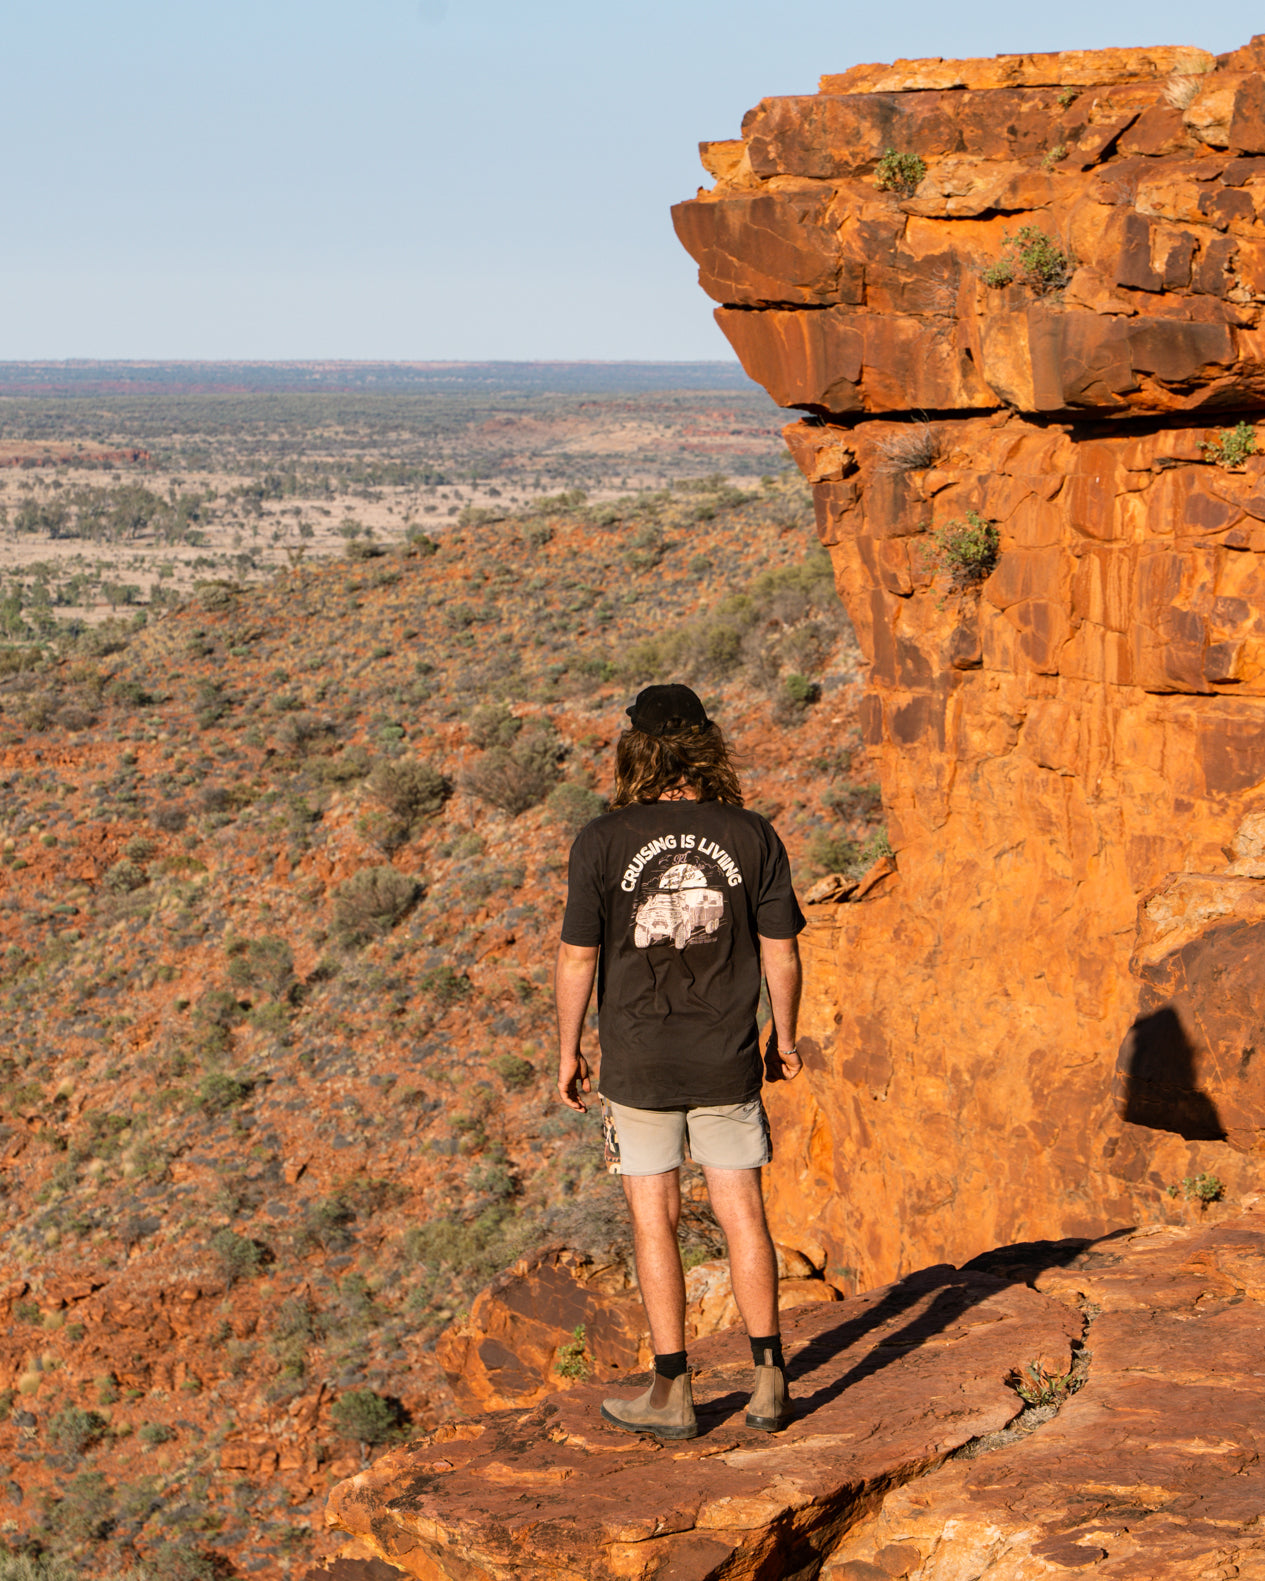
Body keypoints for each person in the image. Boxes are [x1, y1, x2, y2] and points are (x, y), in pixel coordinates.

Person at [555, 683, 805, 1441]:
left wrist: (566, 1049)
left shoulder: (603, 839)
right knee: (742, 1212)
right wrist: (782, 1038)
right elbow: (782, 952)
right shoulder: (752, 834)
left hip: (638, 1061)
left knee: (653, 1220)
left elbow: (576, 959)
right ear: (706, 746)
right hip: (725, 1053)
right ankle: (769, 1381)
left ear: (636, 748)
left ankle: (673, 1390)